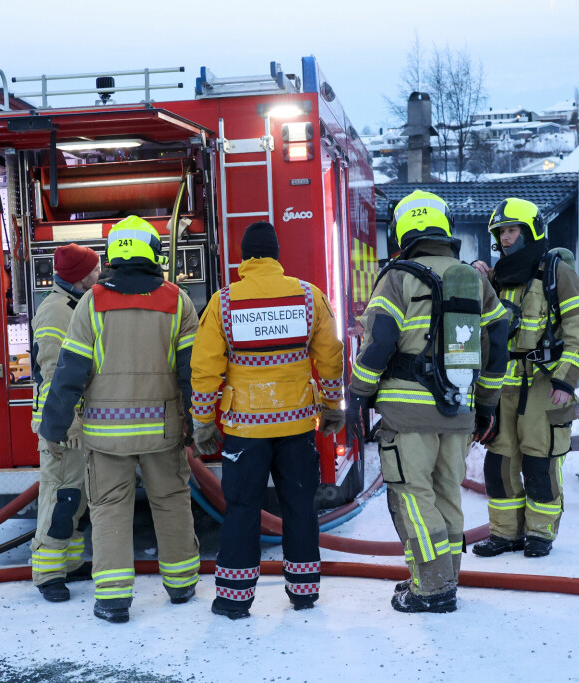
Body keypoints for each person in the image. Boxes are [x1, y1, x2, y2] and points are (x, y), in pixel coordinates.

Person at [350, 190, 509, 614]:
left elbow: (380, 341)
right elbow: (499, 343)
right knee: (446, 497)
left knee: (412, 496)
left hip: (407, 416)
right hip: (460, 411)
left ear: (403, 229)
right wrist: (487, 405)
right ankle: (441, 579)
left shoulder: (397, 277)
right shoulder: (473, 279)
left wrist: (358, 394)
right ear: (445, 225)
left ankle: (433, 589)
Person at [40, 215, 201, 623]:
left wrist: (55, 428)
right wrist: (198, 427)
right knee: (171, 502)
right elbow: (192, 375)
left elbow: (69, 372)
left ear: (113, 254)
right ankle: (181, 585)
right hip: (164, 430)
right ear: (153, 251)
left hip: (105, 435)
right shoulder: (177, 300)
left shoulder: (91, 302)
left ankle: (112, 599)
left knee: (110, 508)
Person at [190, 221, 346, 620]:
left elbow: (206, 368)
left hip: (245, 430)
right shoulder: (308, 297)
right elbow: (330, 356)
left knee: (242, 508)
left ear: (244, 257)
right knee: (299, 506)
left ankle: (233, 599)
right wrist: (331, 405)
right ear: (277, 254)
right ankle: (304, 592)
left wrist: (204, 420)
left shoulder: (224, 303)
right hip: (296, 426)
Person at [472, 197, 579, 560]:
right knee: (499, 464)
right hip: (505, 385)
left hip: (545, 383)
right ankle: (506, 534)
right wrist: (475, 281)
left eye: (511, 231)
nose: (505, 239)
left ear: (530, 230)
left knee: (539, 463)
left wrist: (565, 381)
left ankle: (540, 535)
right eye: (500, 233)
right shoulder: (496, 278)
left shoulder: (557, 273)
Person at [28, 243, 100, 602]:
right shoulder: (58, 311)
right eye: (96, 270)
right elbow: (55, 371)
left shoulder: (72, 304)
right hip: (61, 424)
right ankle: (47, 573)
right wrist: (67, 422)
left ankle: (68, 564)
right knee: (60, 497)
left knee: (76, 497)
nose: (99, 274)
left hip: (72, 420)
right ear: (82, 276)